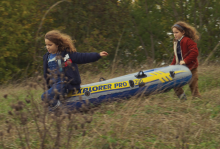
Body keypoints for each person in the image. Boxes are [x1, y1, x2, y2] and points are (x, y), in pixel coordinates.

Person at [41, 30, 108, 111]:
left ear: (57, 44)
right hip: (54, 86)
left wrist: (98, 55)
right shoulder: (47, 57)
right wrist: (48, 87)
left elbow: (82, 57)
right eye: (46, 45)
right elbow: (46, 74)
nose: (48, 47)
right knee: (49, 107)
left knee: (44, 97)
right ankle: (61, 111)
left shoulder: (66, 54)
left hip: (64, 84)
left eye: (50, 45)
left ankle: (63, 112)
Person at [170, 21, 201, 100]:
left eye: (176, 32)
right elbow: (176, 56)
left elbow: (194, 52)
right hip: (180, 69)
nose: (175, 34)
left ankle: (198, 102)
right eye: (173, 33)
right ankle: (183, 100)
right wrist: (172, 65)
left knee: (194, 89)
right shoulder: (176, 43)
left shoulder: (187, 40)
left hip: (191, 68)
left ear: (183, 32)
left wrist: (185, 61)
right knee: (175, 84)